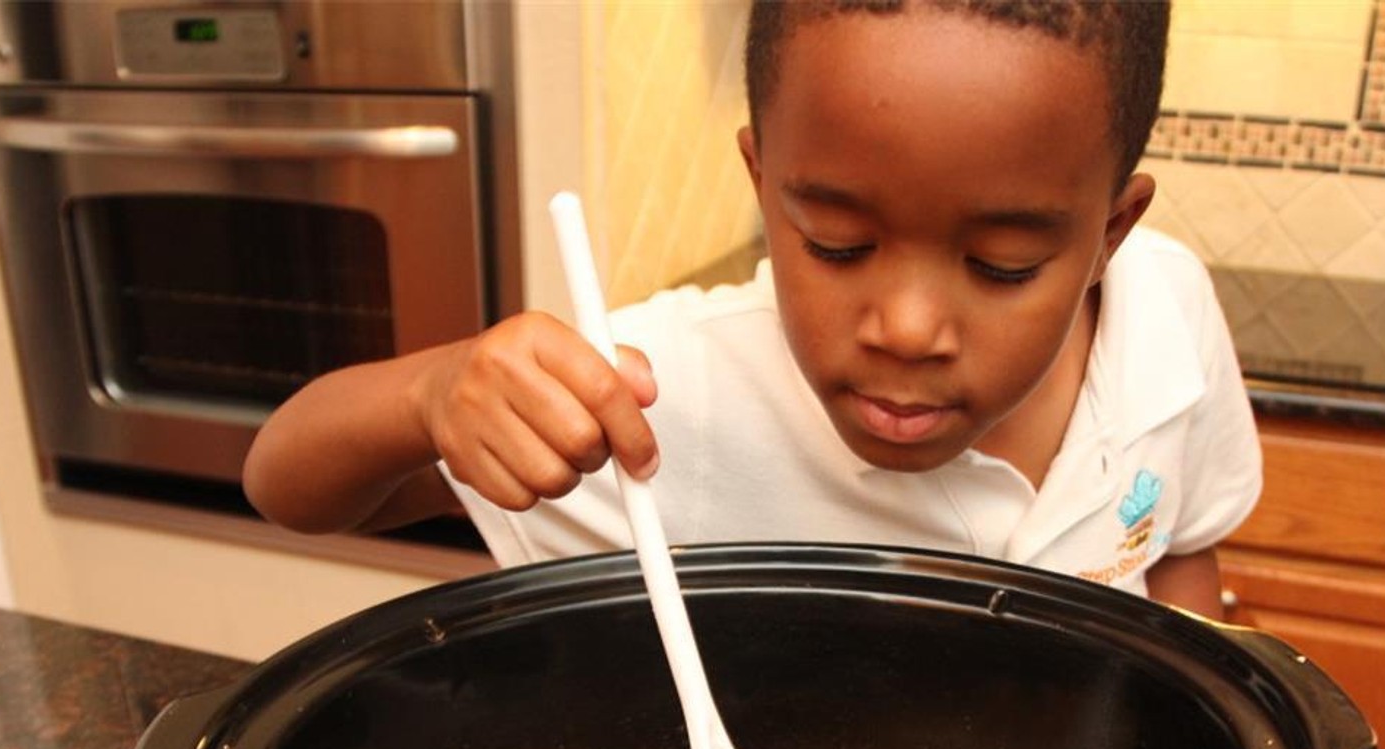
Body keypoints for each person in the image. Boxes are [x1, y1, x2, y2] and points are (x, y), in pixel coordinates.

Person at [243, 0, 1261, 620]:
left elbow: (1177, 550)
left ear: (1107, 237)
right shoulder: (668, 397)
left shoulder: (1164, 311)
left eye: (1001, 264)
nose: (905, 327)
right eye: (836, 246)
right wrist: (428, 393)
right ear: (762, 182)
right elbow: (288, 484)